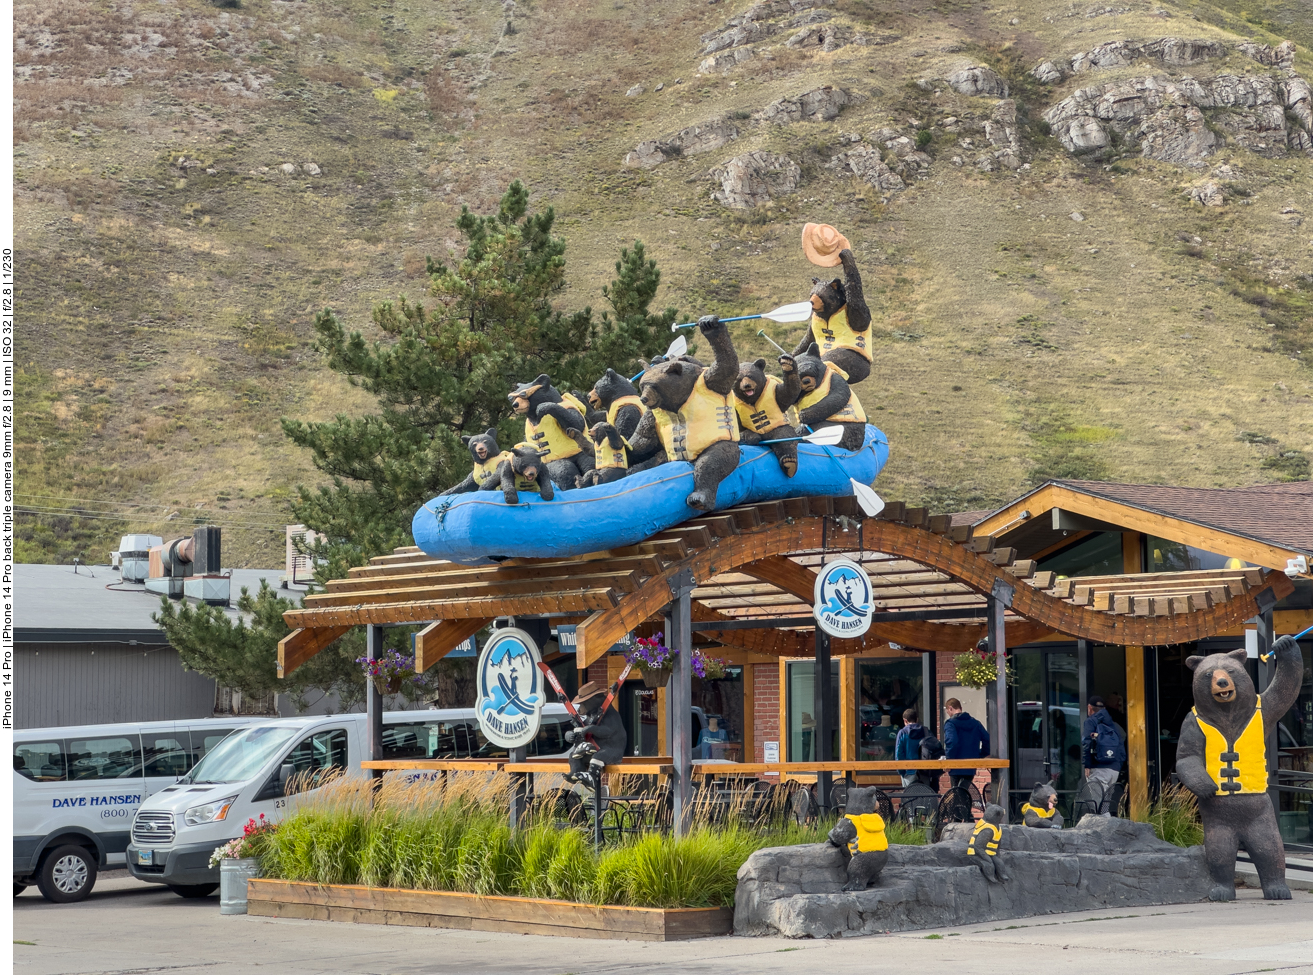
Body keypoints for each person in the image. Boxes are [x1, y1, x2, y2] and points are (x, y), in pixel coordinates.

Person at [1082, 695, 1126, 816]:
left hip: (1098, 768)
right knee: (1105, 805)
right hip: (1114, 769)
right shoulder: (1113, 724)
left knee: (1097, 806)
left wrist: (1087, 765)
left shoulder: (1090, 722)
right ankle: (1107, 829)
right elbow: (1121, 745)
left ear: (1090, 708)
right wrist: (1118, 765)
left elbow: (1086, 743)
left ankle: (1102, 832)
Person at [943, 697, 990, 793]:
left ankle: (958, 808)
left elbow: (952, 742)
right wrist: (979, 754)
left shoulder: (950, 723)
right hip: (970, 767)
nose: (948, 713)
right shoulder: (975, 723)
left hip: (955, 766)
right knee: (964, 794)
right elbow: (988, 740)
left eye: (947, 711)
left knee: (956, 796)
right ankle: (964, 808)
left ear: (950, 708)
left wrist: (949, 761)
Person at [893, 708, 928, 787]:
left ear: (905, 720)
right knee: (926, 797)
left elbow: (899, 754)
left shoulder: (902, 733)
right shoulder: (925, 731)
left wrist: (902, 772)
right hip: (925, 771)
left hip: (908, 771)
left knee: (909, 797)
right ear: (917, 719)